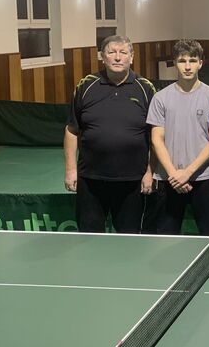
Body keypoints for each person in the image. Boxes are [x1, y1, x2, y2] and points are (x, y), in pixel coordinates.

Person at [64, 35, 155, 233]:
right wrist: (71, 170)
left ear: (132, 57)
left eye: (123, 52)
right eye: (112, 52)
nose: (117, 57)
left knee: (129, 239)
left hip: (132, 180)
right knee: (89, 238)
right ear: (102, 57)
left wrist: (150, 172)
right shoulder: (85, 86)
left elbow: (155, 136)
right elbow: (72, 130)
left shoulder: (146, 88)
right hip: (91, 179)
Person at [146, 39, 209, 235]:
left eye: (192, 60)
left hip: (203, 178)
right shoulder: (160, 98)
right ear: (175, 63)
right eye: (182, 61)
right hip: (168, 179)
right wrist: (174, 174)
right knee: (164, 238)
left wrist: (187, 172)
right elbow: (156, 140)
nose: (187, 66)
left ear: (200, 63)